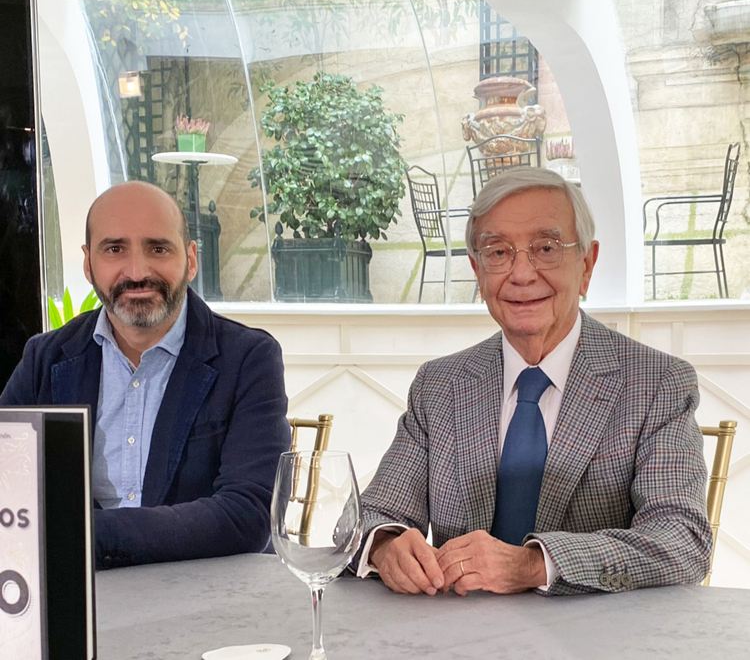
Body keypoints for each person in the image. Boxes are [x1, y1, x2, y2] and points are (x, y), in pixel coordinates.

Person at [357, 168, 711, 596]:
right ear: (477, 270)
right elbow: (370, 516)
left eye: (546, 248)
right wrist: (384, 544)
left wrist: (534, 565)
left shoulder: (657, 384)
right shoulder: (440, 385)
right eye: (499, 252)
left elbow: (681, 540)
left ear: (587, 264)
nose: (521, 274)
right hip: (455, 640)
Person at [0, 181, 290, 569]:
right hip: (74, 596)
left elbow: (248, 515)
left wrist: (83, 535)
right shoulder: (45, 359)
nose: (137, 272)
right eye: (115, 249)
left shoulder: (248, 359)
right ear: (88, 263)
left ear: (190, 259)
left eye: (158, 248)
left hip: (208, 601)